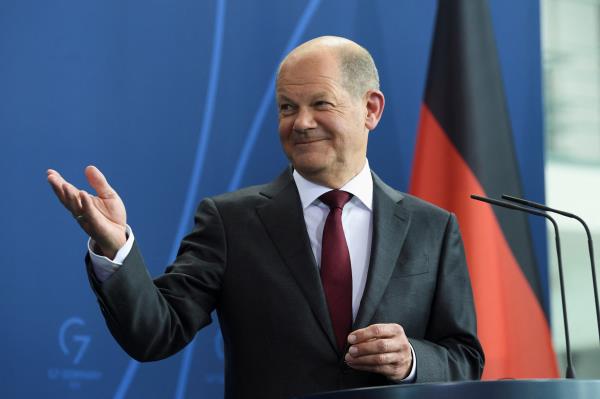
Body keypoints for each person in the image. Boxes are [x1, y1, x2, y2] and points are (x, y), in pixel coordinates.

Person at [47, 36, 484, 399]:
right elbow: (156, 332)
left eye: (320, 104)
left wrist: (411, 361)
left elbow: (464, 358)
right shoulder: (229, 221)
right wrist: (114, 246)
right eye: (287, 107)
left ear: (370, 109)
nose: (301, 123)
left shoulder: (433, 227)